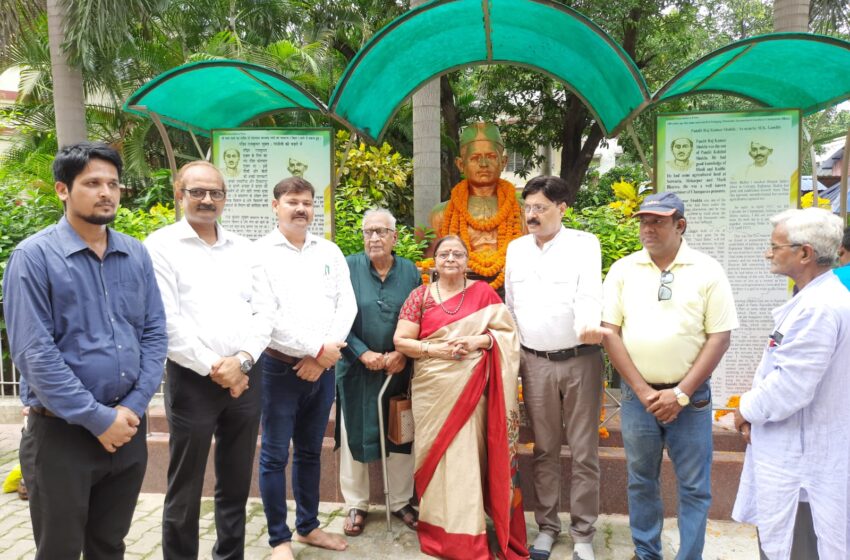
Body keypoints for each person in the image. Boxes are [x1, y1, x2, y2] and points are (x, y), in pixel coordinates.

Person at [3, 142, 168, 559]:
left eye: (112, 183)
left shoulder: (135, 253)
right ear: (63, 190)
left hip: (127, 431)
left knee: (109, 546)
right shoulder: (34, 257)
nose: (106, 192)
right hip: (62, 435)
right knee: (59, 549)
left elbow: (154, 333)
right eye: (92, 183)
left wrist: (131, 409)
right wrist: (98, 419)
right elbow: (34, 353)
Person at [144, 161, 274, 560]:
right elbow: (167, 322)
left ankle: (230, 555)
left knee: (235, 483)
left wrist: (244, 361)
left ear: (225, 198)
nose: (206, 200)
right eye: (197, 192)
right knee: (185, 485)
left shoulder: (245, 249)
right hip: (192, 381)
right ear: (179, 194)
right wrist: (218, 369)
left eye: (215, 193)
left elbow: (266, 311)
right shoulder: (160, 246)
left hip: (247, 377)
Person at [601, 192, 738, 560]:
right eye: (644, 221)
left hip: (691, 401)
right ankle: (647, 552)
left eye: (658, 221)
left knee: (694, 487)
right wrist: (644, 390)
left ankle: (689, 556)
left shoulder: (708, 270)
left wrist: (680, 393)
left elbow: (720, 336)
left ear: (680, 225)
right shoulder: (624, 269)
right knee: (641, 480)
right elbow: (609, 332)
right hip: (637, 399)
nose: (648, 228)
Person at [393, 235, 528, 560]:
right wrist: (434, 349)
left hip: (472, 389)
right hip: (432, 388)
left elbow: (507, 336)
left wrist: (476, 343)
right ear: (434, 262)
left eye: (457, 254)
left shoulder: (483, 294)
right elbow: (401, 341)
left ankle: (470, 534)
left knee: (467, 460)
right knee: (436, 462)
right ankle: (439, 530)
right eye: (444, 253)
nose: (450, 258)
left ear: (467, 261)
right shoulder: (420, 296)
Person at [732, 208, 850, 560]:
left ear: (805, 253)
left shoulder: (820, 308)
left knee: (798, 548)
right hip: (803, 455)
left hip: (804, 467)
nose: (769, 253)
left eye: (775, 246)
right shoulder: (819, 300)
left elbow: (790, 388)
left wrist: (744, 410)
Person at [255, 176, 357, 560]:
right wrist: (315, 349)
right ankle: (279, 539)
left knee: (312, 451)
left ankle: (308, 527)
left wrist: (322, 356)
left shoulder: (329, 252)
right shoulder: (259, 254)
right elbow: (266, 316)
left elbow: (345, 306)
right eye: (293, 201)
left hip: (324, 369)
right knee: (274, 455)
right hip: (277, 370)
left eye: (308, 202)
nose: (301, 209)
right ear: (275, 205)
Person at [504, 176, 605, 560]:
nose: (532, 215)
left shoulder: (584, 245)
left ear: (562, 209)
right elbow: (511, 306)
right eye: (528, 207)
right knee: (544, 448)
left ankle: (583, 534)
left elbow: (590, 293)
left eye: (540, 208)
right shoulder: (516, 249)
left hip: (580, 358)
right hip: (535, 362)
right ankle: (547, 527)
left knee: (584, 450)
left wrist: (588, 324)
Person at [336, 208, 421, 537]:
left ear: (394, 237)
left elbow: (419, 316)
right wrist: (362, 352)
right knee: (353, 434)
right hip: (357, 369)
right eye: (368, 232)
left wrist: (402, 352)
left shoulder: (410, 271)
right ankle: (356, 503)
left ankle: (400, 501)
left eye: (381, 231)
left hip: (397, 368)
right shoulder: (348, 266)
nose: (374, 238)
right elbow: (336, 316)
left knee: (401, 433)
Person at [429, 122, 525, 290]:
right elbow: (431, 265)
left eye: (491, 156)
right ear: (460, 164)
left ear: (503, 162)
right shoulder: (441, 214)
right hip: (459, 290)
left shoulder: (523, 210)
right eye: (474, 158)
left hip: (513, 289)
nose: (483, 163)